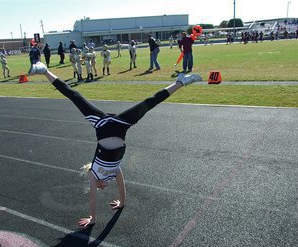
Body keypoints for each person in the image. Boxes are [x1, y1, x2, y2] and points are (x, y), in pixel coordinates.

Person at [27, 61, 202, 227]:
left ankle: (44, 70)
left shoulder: (94, 174)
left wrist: (93, 218)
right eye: (103, 188)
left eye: (99, 188)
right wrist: (122, 202)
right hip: (120, 125)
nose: (102, 188)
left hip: (102, 125)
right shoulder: (114, 172)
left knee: (74, 96)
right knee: (149, 103)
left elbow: (93, 198)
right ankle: (181, 82)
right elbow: (121, 185)